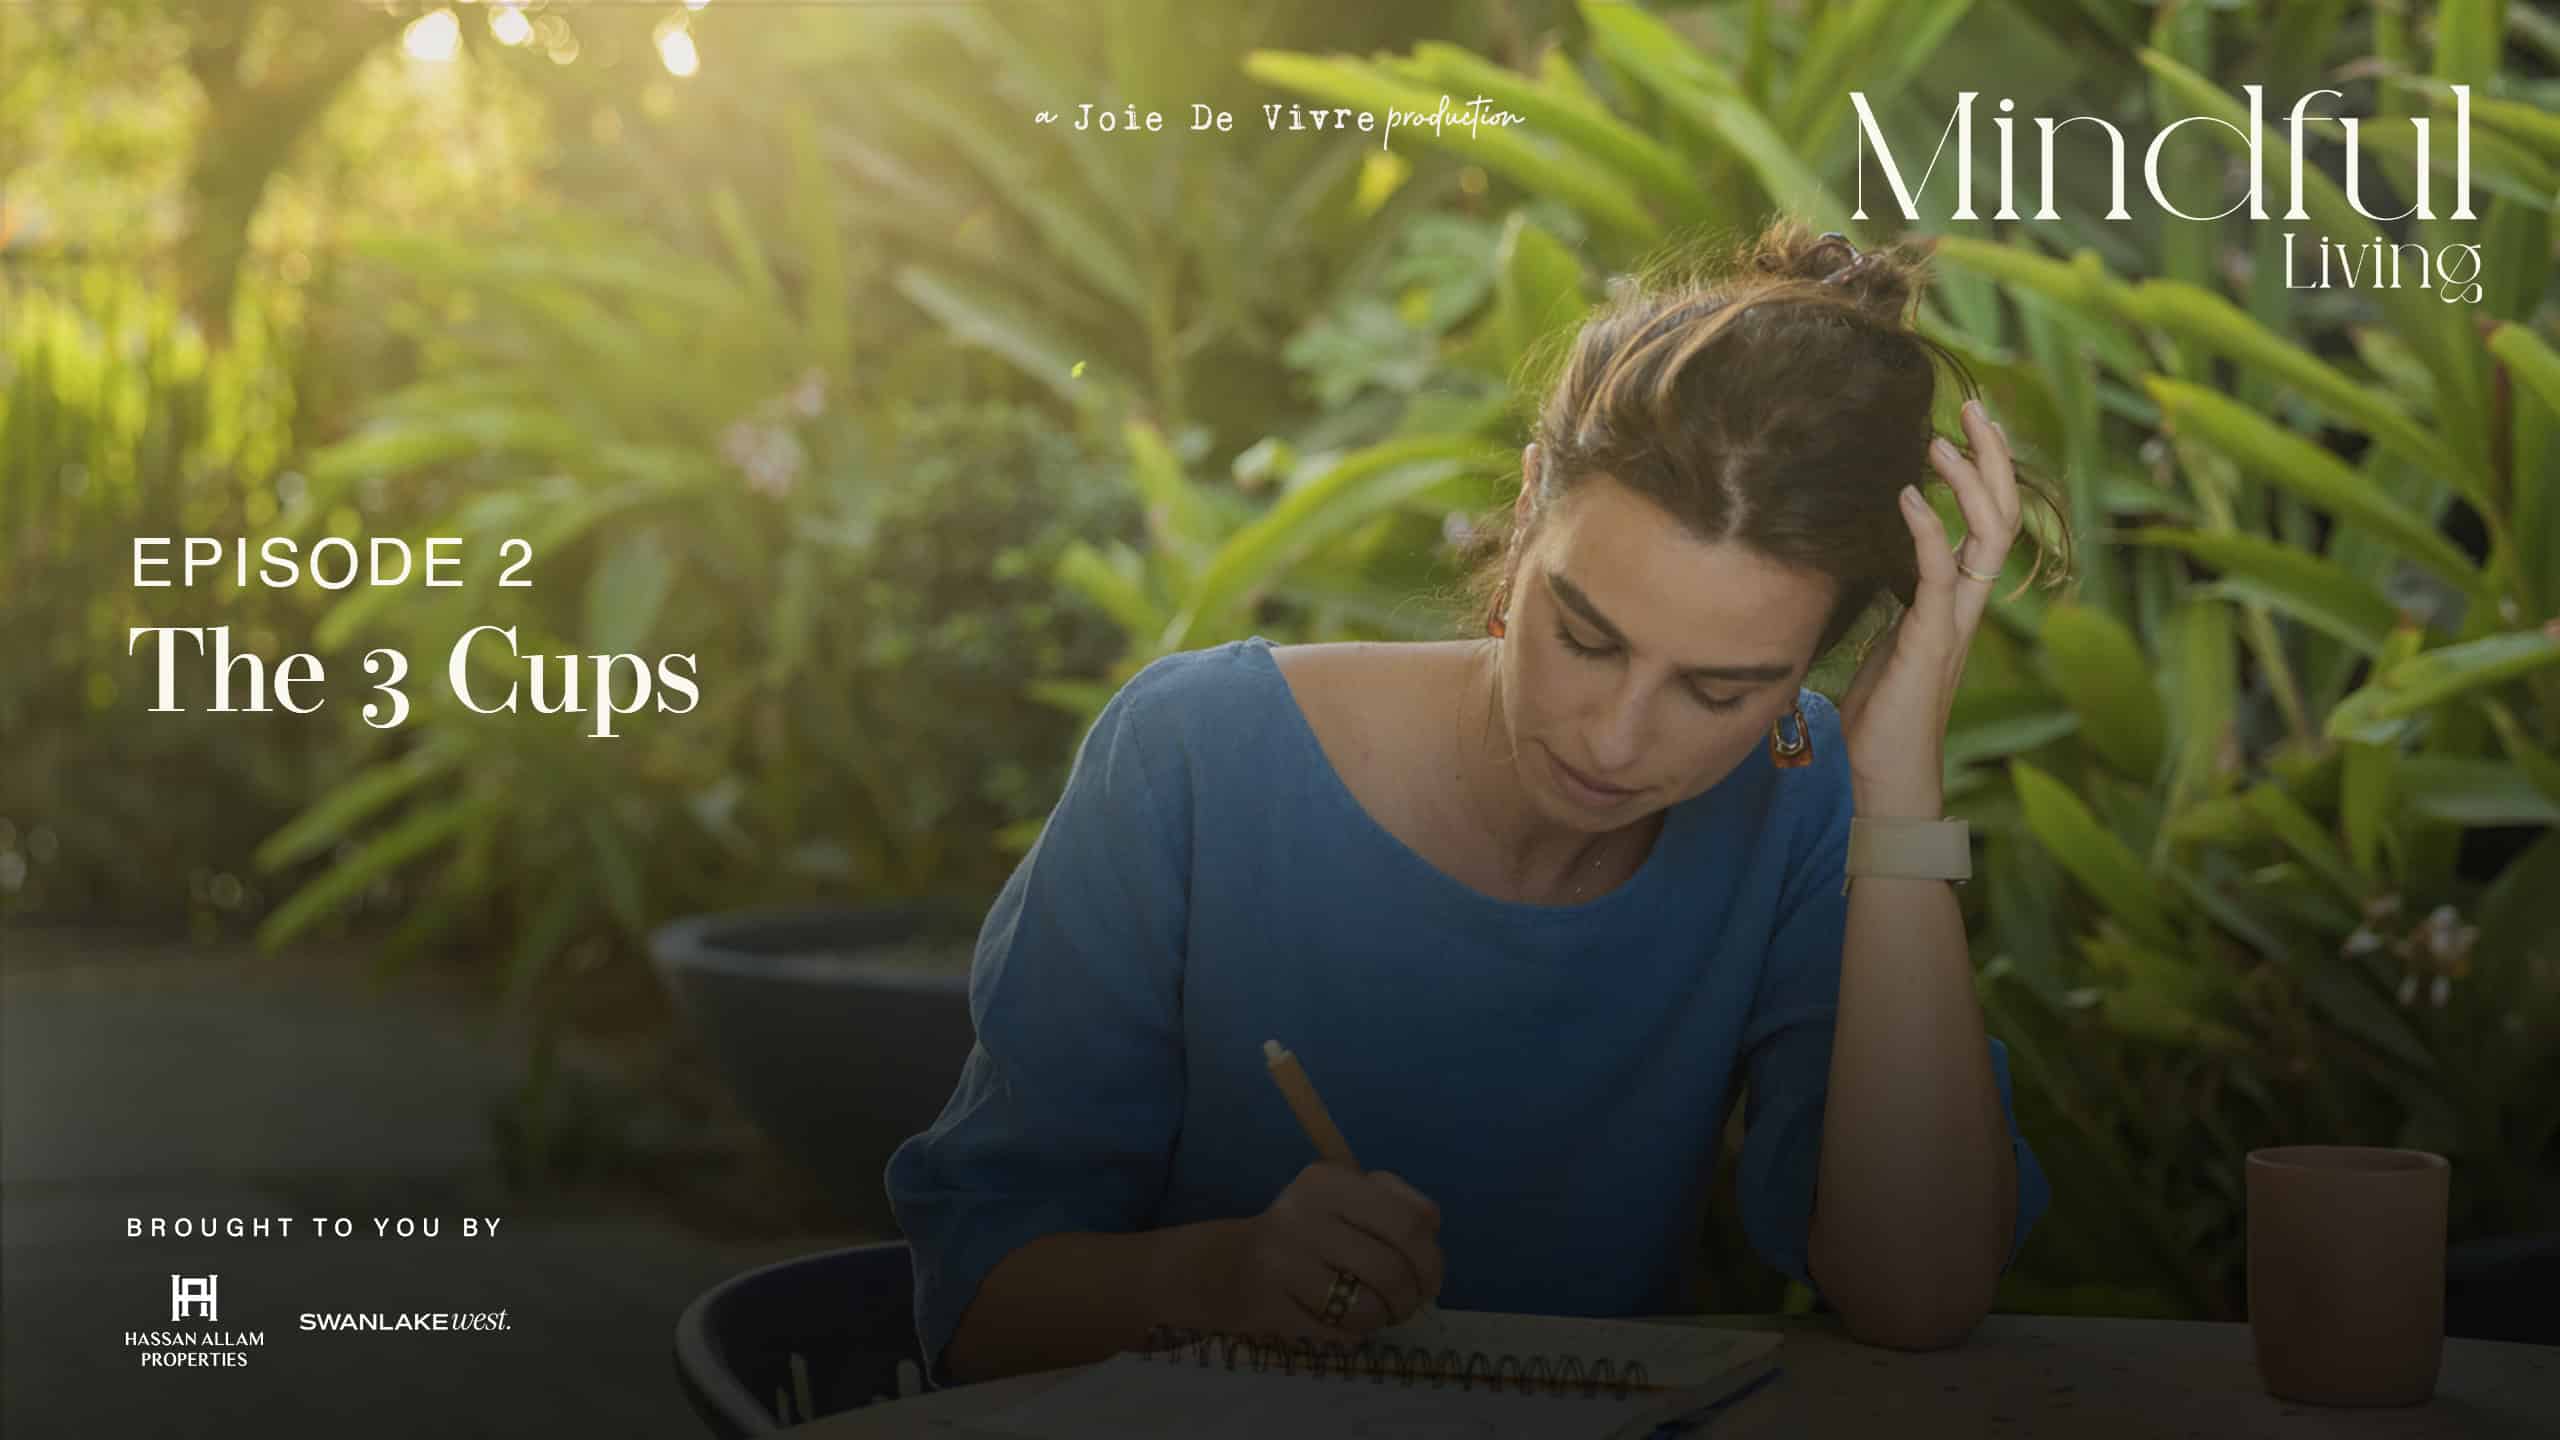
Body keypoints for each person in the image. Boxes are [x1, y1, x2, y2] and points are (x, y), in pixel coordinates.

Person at [885, 216, 2072, 1388]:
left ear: (1809, 669)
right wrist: (1214, 1279)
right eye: (1585, 636)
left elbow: (1915, 1298)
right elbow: (974, 1308)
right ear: (1523, 523)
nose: (1614, 739)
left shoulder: (1800, 793)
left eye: (1719, 689)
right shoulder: (1195, 758)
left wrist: (1898, 781)